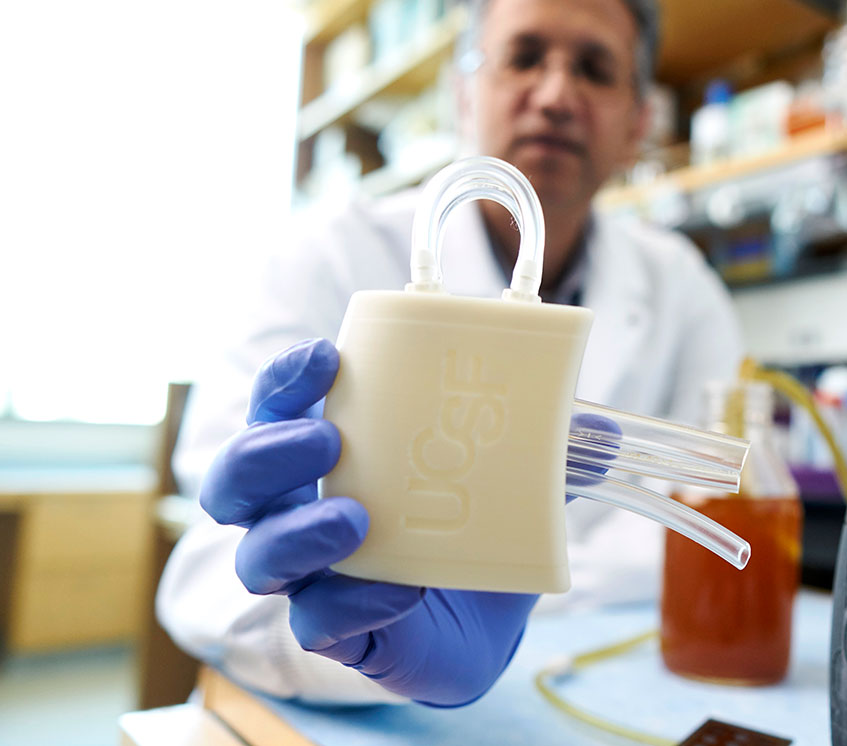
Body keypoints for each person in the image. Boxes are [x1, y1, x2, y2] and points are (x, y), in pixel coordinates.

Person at [156, 0, 743, 707]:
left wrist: (495, 576)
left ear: (639, 121)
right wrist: (358, 642)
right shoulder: (330, 254)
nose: (556, 95)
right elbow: (214, 563)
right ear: (464, 92)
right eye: (524, 57)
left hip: (614, 685)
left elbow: (707, 524)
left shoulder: (683, 288)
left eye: (595, 69)